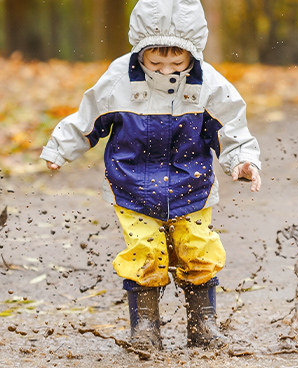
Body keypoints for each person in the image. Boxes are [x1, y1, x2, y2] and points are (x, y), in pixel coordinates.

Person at [40, 0, 261, 351]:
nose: (165, 70)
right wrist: (60, 148)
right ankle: (145, 327)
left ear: (193, 54)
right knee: (144, 254)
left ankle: (203, 323)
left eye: (177, 62)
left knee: (199, 249)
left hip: (192, 186)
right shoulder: (118, 79)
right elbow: (88, 118)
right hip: (131, 188)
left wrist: (242, 161)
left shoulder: (209, 84)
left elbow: (231, 127)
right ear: (139, 51)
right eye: (155, 62)